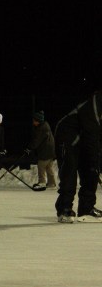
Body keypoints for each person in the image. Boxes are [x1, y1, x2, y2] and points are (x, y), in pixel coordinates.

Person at [53, 92, 102, 222]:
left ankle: (87, 208)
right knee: (69, 170)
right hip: (67, 135)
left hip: (85, 138)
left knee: (91, 172)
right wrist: (96, 162)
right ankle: (64, 209)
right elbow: (92, 134)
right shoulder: (94, 104)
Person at [24, 110, 56, 191]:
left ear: (38, 121)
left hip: (45, 151)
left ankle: (42, 182)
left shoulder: (41, 129)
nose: (33, 122)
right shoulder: (45, 125)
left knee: (41, 166)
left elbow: (36, 141)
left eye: (34, 120)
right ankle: (52, 183)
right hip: (51, 151)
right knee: (49, 167)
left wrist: (29, 148)